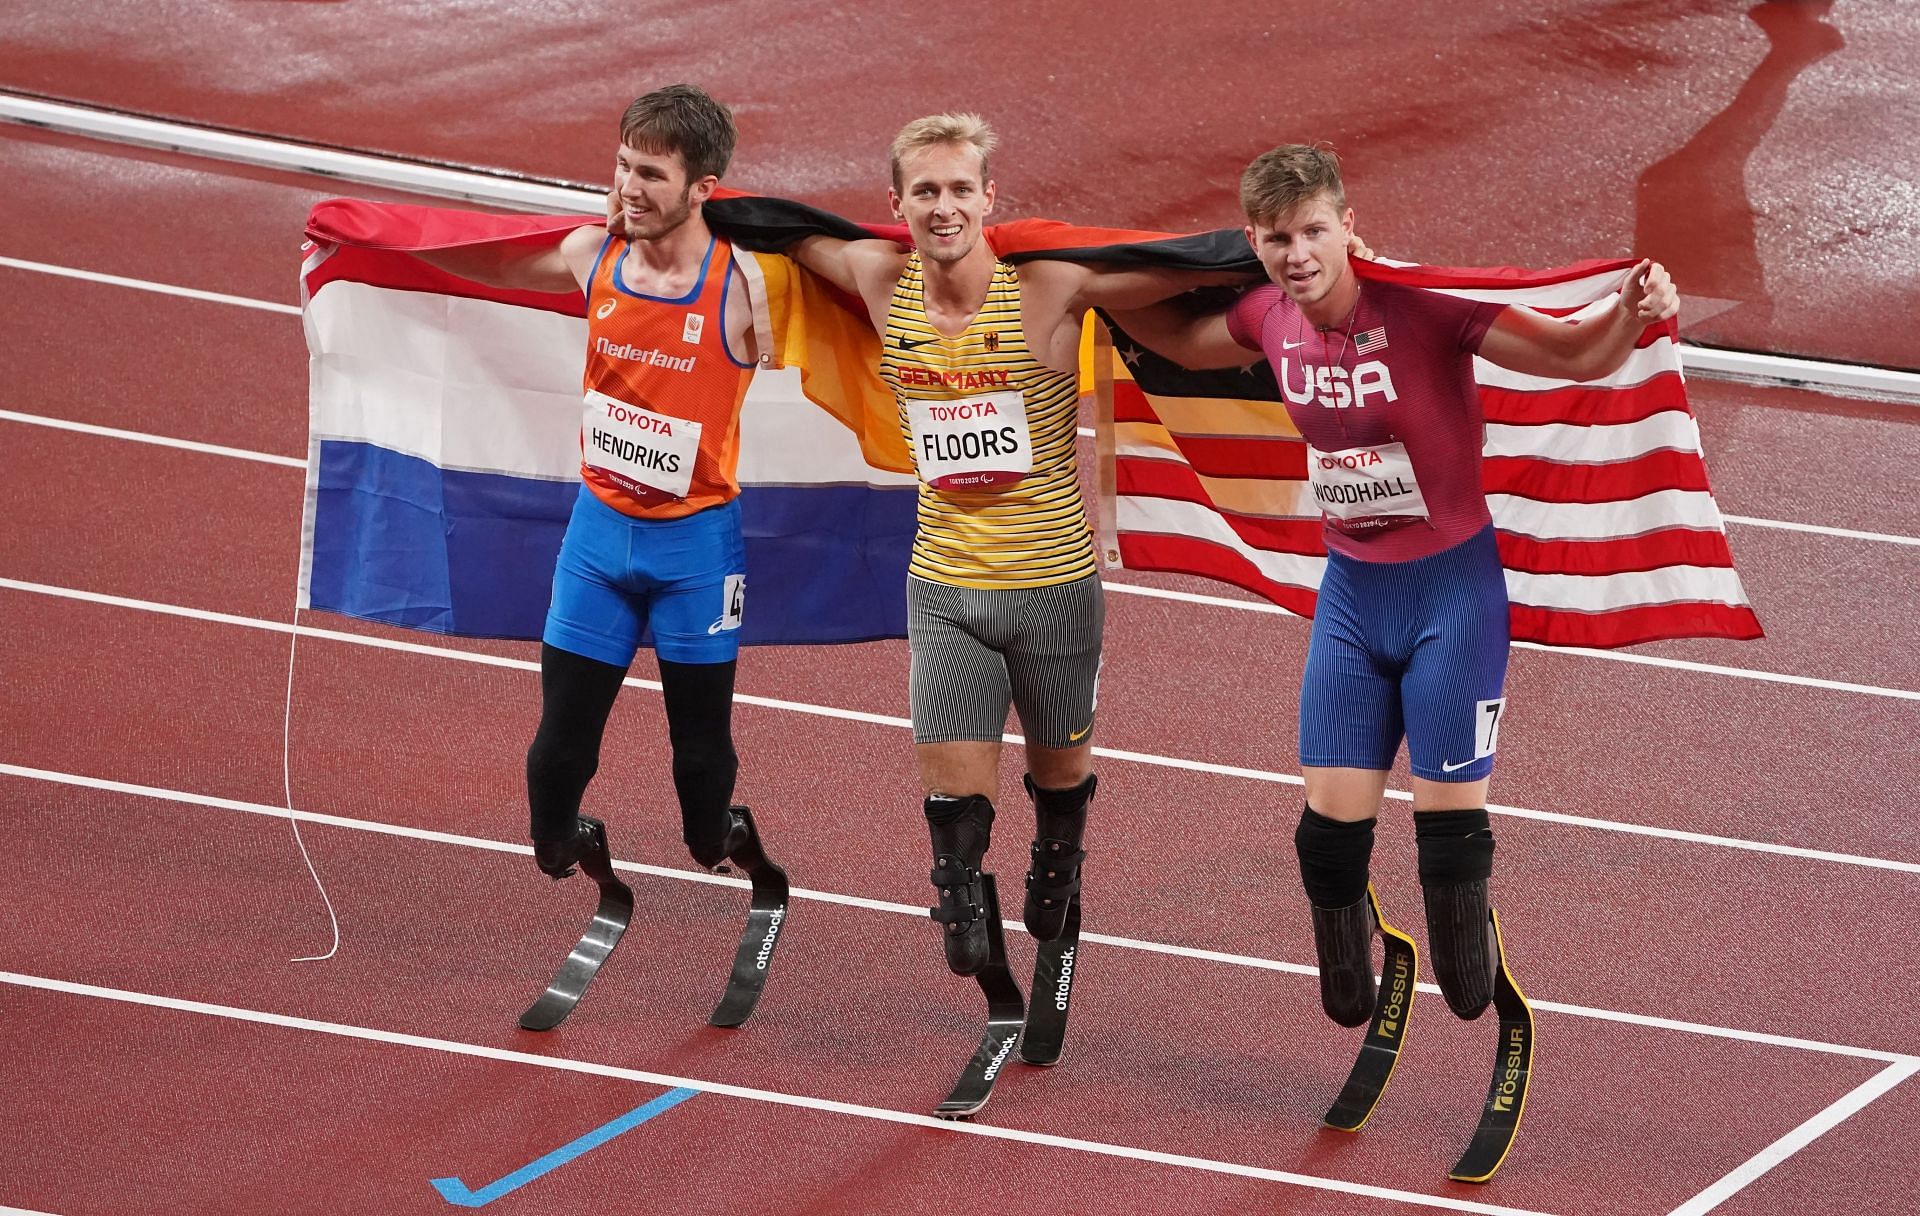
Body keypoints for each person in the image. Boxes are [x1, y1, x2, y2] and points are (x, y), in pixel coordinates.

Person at [1112, 144, 1678, 1028]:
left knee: (1449, 864)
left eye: (1311, 232)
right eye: (1274, 238)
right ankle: (1356, 978)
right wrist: (1089, 289)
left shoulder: (1421, 308)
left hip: (1452, 598)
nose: (1296, 254)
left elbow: (1577, 357)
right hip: (1352, 600)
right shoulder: (1268, 317)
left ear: (1347, 228)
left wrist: (1633, 314)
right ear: (1254, 245)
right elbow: (1177, 337)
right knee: (1326, 845)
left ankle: (1468, 965)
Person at [777, 114, 1258, 977]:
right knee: (954, 813)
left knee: (1059, 778)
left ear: (990, 199)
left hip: (1054, 590)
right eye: (925, 191)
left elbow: (1186, 274)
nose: (944, 207)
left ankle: (1059, 861)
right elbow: (779, 228)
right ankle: (961, 889)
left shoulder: (1051, 286)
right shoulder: (876, 276)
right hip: (945, 588)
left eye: (961, 189)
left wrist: (1298, 256)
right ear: (896, 203)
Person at [409, 84, 779, 882]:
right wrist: (378, 249)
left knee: (700, 782)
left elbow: (862, 303)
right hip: (597, 538)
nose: (627, 187)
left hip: (698, 553)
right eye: (622, 167)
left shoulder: (749, 289)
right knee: (553, 772)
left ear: (703, 190)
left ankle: (726, 835)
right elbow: (493, 255)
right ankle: (567, 838)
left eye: (651, 174)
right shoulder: (593, 255)